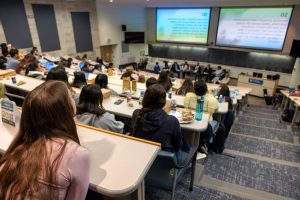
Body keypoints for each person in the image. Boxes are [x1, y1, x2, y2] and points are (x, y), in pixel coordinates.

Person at [0, 81, 90, 200]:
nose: (74, 100)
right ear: (65, 109)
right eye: (71, 97)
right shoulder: (78, 155)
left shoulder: (18, 146)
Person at [132, 84, 188, 163]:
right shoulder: (172, 121)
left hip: (141, 160)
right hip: (163, 166)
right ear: (164, 102)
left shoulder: (136, 114)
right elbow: (177, 146)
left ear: (144, 99)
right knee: (184, 146)